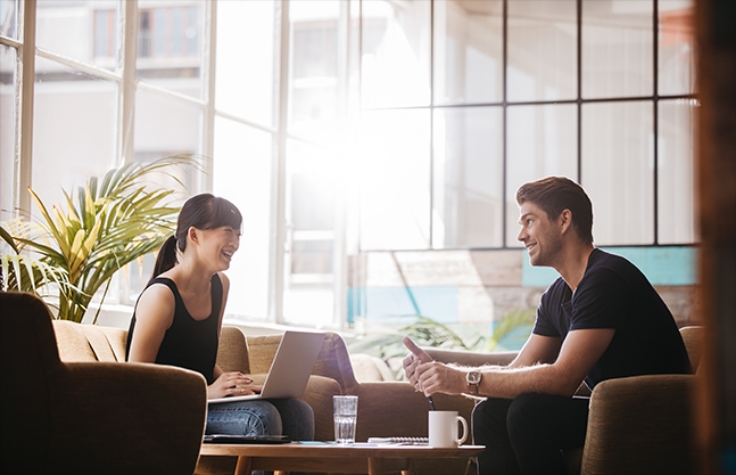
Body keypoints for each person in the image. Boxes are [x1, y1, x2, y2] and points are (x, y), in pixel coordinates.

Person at [402, 176, 691, 475]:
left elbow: (563, 379)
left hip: (655, 411)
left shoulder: (606, 278)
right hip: (609, 408)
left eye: (529, 221)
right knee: (490, 412)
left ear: (564, 220)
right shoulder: (557, 294)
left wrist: (460, 380)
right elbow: (517, 372)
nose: (521, 235)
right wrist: (442, 373)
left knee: (529, 413)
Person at [126, 193, 314, 442]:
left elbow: (198, 357)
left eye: (238, 234)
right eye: (228, 231)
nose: (235, 243)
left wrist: (236, 387)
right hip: (165, 408)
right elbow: (133, 383)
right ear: (195, 235)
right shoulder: (161, 296)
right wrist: (206, 392)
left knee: (299, 412)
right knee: (262, 417)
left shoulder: (220, 285)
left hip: (201, 400)